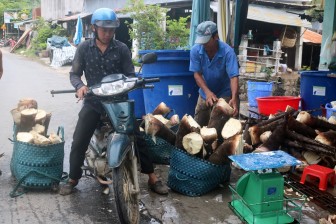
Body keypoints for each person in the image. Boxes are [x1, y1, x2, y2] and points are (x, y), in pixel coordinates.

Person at [59, 8, 168, 195]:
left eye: (111, 30)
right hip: (94, 102)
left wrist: (135, 81)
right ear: (94, 28)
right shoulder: (84, 48)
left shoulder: (122, 48)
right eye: (104, 30)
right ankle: (73, 178)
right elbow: (74, 73)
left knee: (137, 136)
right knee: (79, 140)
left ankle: (152, 177)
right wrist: (79, 86)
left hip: (119, 102)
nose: (108, 34)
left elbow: (130, 75)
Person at [189, 21, 240, 127]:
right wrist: (207, 93)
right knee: (196, 126)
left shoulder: (228, 52)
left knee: (216, 128)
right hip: (204, 92)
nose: (203, 44)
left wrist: (234, 97)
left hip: (224, 93)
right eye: (201, 41)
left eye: (206, 41)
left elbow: (233, 76)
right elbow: (197, 74)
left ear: (216, 37)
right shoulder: (195, 50)